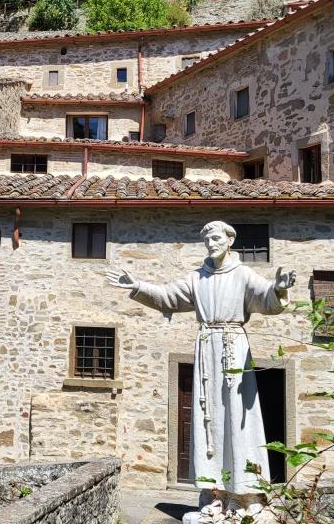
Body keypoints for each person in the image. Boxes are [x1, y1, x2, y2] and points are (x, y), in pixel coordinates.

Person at [105, 221, 296, 515]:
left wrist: (279, 288)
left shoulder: (243, 274)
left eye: (216, 238)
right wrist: (138, 287)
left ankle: (245, 494)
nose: (211, 244)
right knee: (210, 417)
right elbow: (168, 296)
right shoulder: (198, 278)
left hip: (233, 347)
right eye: (207, 240)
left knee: (238, 417)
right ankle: (214, 492)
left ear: (230, 241)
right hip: (207, 349)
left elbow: (266, 298)